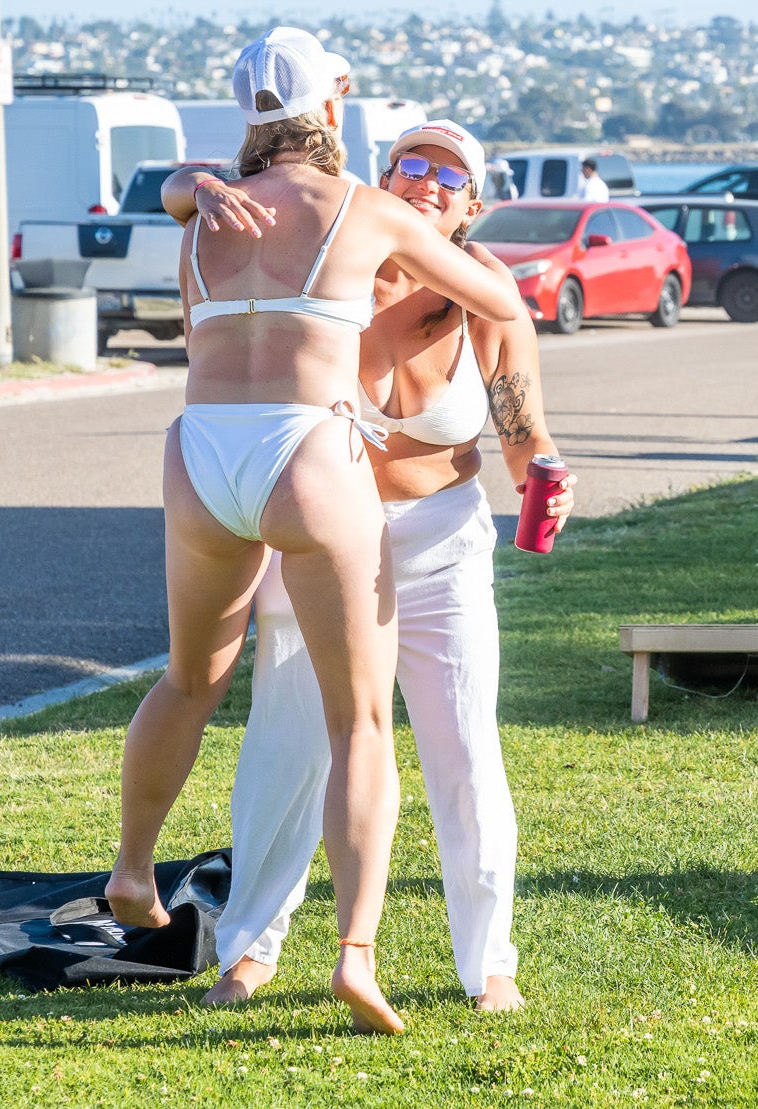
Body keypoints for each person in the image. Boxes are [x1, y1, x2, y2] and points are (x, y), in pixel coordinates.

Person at [106, 27, 522, 1035]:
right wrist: (442, 259)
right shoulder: (364, 212)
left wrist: (193, 187)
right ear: (334, 109)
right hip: (306, 452)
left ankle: (130, 867)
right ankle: (356, 953)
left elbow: (163, 188)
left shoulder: (202, 212)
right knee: (359, 723)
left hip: (201, 452)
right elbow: (502, 298)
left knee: (191, 680)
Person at [164, 120, 572, 1015]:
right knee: (288, 743)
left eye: (449, 172)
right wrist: (195, 181)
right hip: (318, 536)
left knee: (464, 747)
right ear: (381, 181)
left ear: (473, 204)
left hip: (438, 541)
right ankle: (250, 948)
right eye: (410, 163)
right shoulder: (331, 261)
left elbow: (521, 433)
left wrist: (542, 470)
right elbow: (218, 206)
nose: (426, 179)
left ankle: (488, 960)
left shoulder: (484, 297)